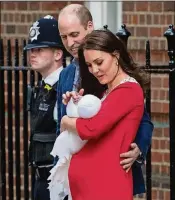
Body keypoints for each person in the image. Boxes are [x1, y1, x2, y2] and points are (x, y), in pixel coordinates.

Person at [57, 3, 153, 195]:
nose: (69, 43)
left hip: (107, 182)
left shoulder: (118, 81)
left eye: (74, 35)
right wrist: (75, 105)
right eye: (64, 37)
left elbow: (141, 120)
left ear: (89, 27)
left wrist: (139, 150)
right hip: (74, 180)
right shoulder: (66, 75)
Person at [24, 15, 65, 200]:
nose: (33, 54)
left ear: (58, 54)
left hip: (59, 180)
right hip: (40, 178)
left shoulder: (65, 86)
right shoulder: (41, 87)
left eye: (40, 49)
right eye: (31, 49)